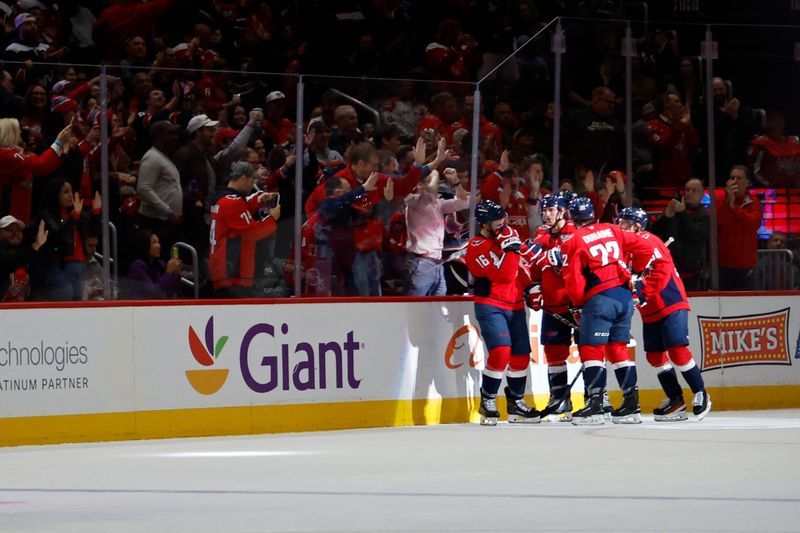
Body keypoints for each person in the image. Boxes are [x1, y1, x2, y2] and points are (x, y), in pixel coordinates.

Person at [616, 207, 712, 421]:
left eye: (623, 223)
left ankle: (700, 393)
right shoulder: (624, 249)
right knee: (655, 355)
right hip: (649, 310)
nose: (619, 227)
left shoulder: (650, 242)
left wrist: (642, 291)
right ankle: (675, 400)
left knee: (677, 351)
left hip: (670, 303)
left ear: (636, 226)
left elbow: (661, 271)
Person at [559, 196, 643, 425]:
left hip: (601, 297)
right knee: (617, 349)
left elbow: (573, 279)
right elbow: (639, 242)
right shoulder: (611, 229)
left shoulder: (573, 239)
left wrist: (577, 303)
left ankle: (595, 405)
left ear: (571, 217)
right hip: (624, 295)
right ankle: (631, 405)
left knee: (591, 348)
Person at [466, 199, 540, 425]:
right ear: (484, 224)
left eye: (503, 218)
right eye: (495, 221)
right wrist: (511, 248)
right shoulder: (476, 246)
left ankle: (516, 403)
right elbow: (505, 275)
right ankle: (488, 401)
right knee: (501, 352)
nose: (501, 223)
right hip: (491, 304)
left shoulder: (506, 239)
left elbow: (522, 267)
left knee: (520, 355)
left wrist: (531, 287)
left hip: (516, 305)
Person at [209, 161, 280, 298]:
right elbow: (252, 233)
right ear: (243, 178)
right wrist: (272, 218)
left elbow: (241, 210)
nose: (252, 185)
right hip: (232, 273)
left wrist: (258, 200)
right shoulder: (232, 203)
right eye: (252, 180)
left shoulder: (223, 198)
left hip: (224, 269)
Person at [404, 170, 469, 296]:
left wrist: (456, 182)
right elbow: (430, 190)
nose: (435, 184)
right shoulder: (413, 201)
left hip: (438, 264)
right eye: (429, 181)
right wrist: (434, 173)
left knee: (439, 308)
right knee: (414, 309)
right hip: (421, 263)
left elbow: (463, 202)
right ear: (420, 184)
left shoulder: (438, 204)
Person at [36, 181, 101, 301]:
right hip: (60, 268)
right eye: (66, 192)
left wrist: (96, 213)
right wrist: (74, 216)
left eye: (71, 191)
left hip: (80, 267)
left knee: (78, 307)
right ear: (56, 195)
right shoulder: (48, 214)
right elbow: (58, 234)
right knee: (64, 307)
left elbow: (93, 234)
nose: (71, 195)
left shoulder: (75, 214)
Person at [651, 177, 710, 290]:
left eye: (694, 190)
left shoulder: (703, 216)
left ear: (702, 194)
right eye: (687, 190)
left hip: (691, 275)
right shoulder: (675, 212)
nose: (689, 193)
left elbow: (694, 235)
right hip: (669, 270)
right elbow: (656, 233)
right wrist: (665, 217)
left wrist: (682, 213)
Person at [136, 120, 182, 255]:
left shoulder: (163, 157)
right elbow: (143, 188)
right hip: (155, 221)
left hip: (166, 221)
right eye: (171, 134)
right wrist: (168, 211)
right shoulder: (152, 158)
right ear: (159, 136)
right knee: (156, 258)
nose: (175, 137)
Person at [716, 165, 762, 290]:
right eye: (732, 178)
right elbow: (714, 224)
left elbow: (754, 224)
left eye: (739, 178)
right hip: (723, 265)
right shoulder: (720, 201)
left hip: (746, 266)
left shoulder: (754, 202)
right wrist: (727, 202)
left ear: (747, 182)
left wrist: (734, 208)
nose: (735, 181)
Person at [0, 216, 47, 302]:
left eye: (18, 230)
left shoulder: (29, 254)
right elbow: (10, 260)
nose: (15, 233)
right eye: (9, 230)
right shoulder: (5, 254)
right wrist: (36, 246)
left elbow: (38, 285)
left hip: (23, 311)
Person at [126, 230, 183, 299]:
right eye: (154, 242)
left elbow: (171, 293)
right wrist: (168, 272)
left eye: (158, 242)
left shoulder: (159, 264)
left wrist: (175, 274)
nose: (159, 246)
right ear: (144, 245)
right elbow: (154, 294)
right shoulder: (137, 267)